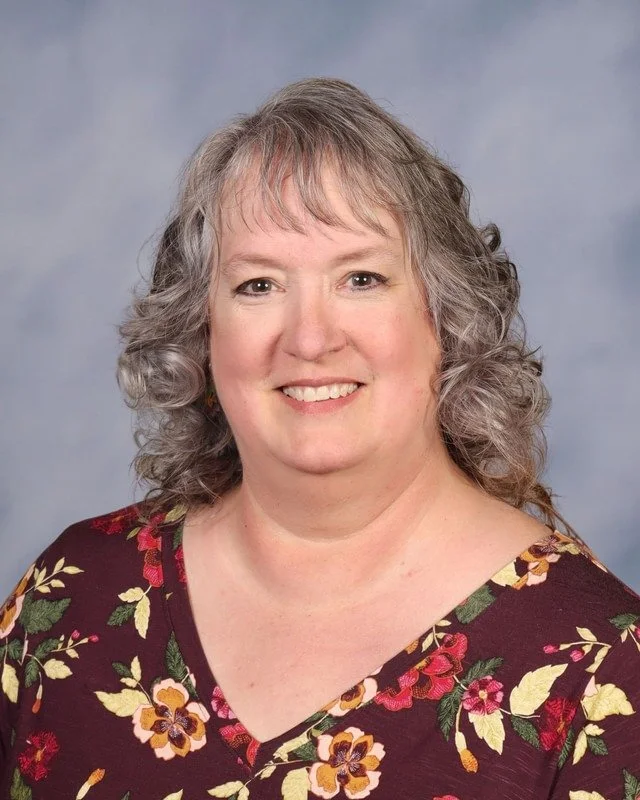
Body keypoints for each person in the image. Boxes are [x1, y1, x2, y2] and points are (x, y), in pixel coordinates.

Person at [1, 78, 639, 800]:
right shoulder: (73, 601)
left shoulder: (601, 669)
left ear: (446, 319)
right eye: (258, 286)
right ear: (202, 332)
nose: (309, 338)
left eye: (361, 278)